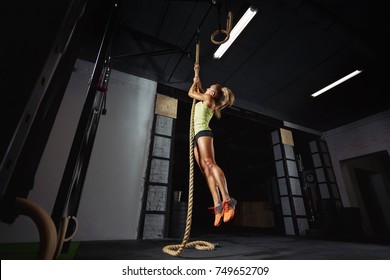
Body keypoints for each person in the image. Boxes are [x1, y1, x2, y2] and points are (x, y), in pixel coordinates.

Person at [188, 63, 237, 227]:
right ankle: (218, 206)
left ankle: (228, 200)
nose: (206, 89)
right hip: (197, 135)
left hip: (203, 133)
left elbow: (191, 93)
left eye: (209, 88)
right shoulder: (208, 98)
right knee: (205, 169)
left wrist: (194, 83)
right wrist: (197, 73)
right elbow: (200, 89)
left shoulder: (208, 99)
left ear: (213, 93)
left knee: (210, 163)